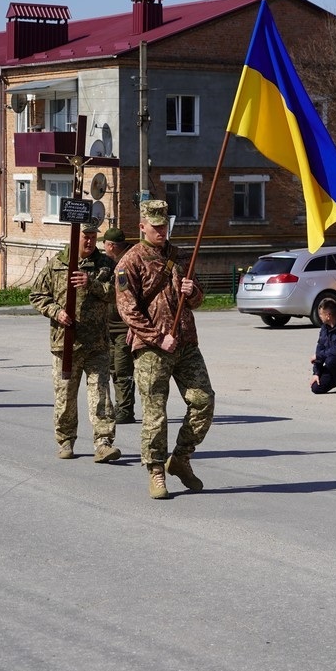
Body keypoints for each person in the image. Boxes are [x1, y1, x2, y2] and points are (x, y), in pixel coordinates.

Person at [115, 199, 215, 500]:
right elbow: (127, 310)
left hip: (185, 343)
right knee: (155, 413)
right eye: (156, 227)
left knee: (203, 402)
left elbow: (197, 299)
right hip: (151, 349)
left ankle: (181, 458)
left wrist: (193, 291)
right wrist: (158, 338)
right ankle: (156, 470)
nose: (161, 231)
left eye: (165, 226)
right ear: (142, 226)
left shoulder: (179, 255)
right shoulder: (130, 262)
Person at [30, 222, 120, 463]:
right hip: (65, 344)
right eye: (85, 236)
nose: (89, 241)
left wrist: (91, 284)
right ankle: (66, 440)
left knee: (101, 394)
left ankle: (103, 443)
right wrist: (56, 312)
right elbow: (37, 295)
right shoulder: (57, 264)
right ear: (74, 237)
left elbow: (118, 294)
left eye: (93, 237)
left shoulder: (106, 265)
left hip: (97, 344)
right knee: (65, 397)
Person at [101, 226, 137, 425]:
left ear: (111, 245)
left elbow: (132, 297)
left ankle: (125, 410)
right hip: (111, 325)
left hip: (124, 327)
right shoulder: (112, 262)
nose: (103, 247)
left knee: (123, 369)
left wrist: (133, 325)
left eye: (105, 244)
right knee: (114, 368)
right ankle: (120, 405)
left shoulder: (126, 264)